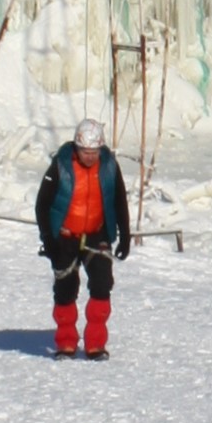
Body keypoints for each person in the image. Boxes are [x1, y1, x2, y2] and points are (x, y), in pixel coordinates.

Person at [35, 119, 133, 360]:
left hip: (97, 234)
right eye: (85, 152)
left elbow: (119, 199)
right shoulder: (61, 165)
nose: (89, 157)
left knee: (102, 284)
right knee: (66, 289)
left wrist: (125, 235)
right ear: (76, 148)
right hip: (65, 236)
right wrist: (48, 239)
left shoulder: (109, 166)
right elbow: (42, 204)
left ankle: (95, 344)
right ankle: (66, 343)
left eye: (94, 152)